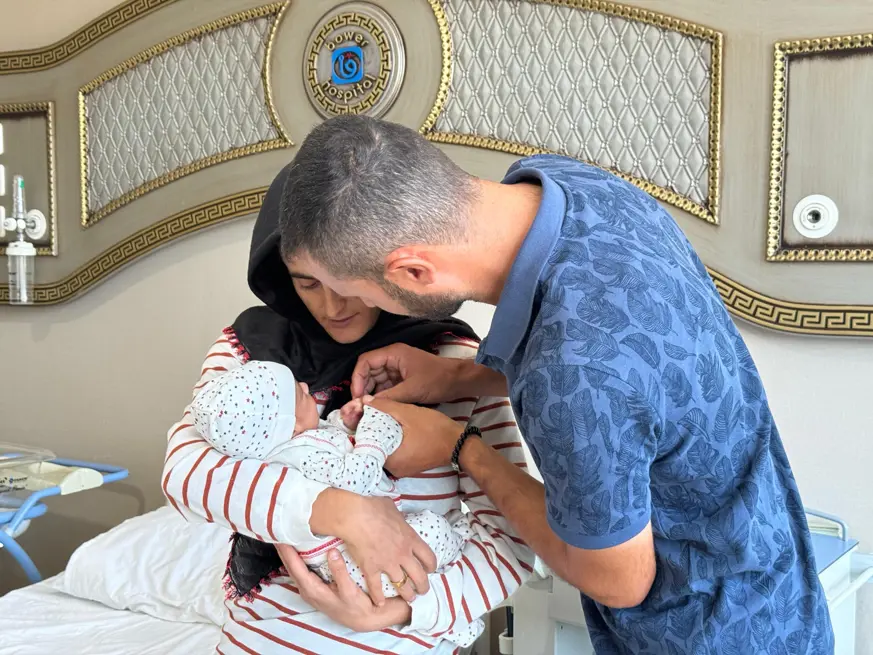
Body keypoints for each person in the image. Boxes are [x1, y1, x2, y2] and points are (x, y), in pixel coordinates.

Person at [275, 115, 834, 654]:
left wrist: (460, 446)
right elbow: (633, 363)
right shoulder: (569, 183)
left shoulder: (575, 373)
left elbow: (618, 580)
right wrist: (460, 374)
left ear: (412, 273)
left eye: (357, 293)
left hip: (711, 635)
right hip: (781, 582)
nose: (345, 308)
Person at [161, 165, 534, 654]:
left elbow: (510, 542)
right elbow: (185, 475)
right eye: (307, 284)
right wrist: (343, 512)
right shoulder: (250, 348)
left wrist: (402, 609)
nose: (333, 307)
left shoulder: (453, 364)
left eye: (346, 280)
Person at [189, 359, 487, 646]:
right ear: (291, 427)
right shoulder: (299, 454)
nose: (305, 387)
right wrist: (374, 435)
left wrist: (344, 423)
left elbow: (330, 450)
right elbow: (356, 477)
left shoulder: (290, 447)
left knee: (424, 551)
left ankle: (452, 617)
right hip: (354, 567)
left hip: (354, 563)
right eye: (298, 394)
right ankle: (458, 553)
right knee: (434, 530)